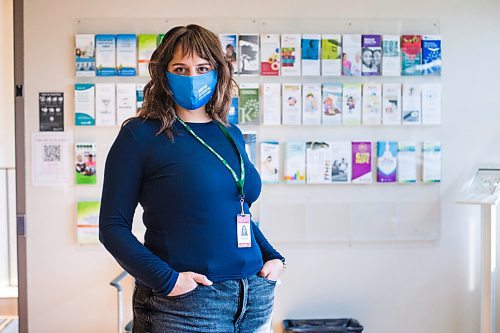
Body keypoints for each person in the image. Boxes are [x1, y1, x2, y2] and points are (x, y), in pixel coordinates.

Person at [99, 24, 285, 333]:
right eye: (180, 68)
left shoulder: (231, 133)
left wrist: (273, 258)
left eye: (202, 68)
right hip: (186, 306)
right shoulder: (140, 135)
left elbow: (236, 210)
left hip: (254, 297)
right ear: (164, 73)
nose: (192, 77)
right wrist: (168, 281)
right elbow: (112, 228)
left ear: (218, 72)